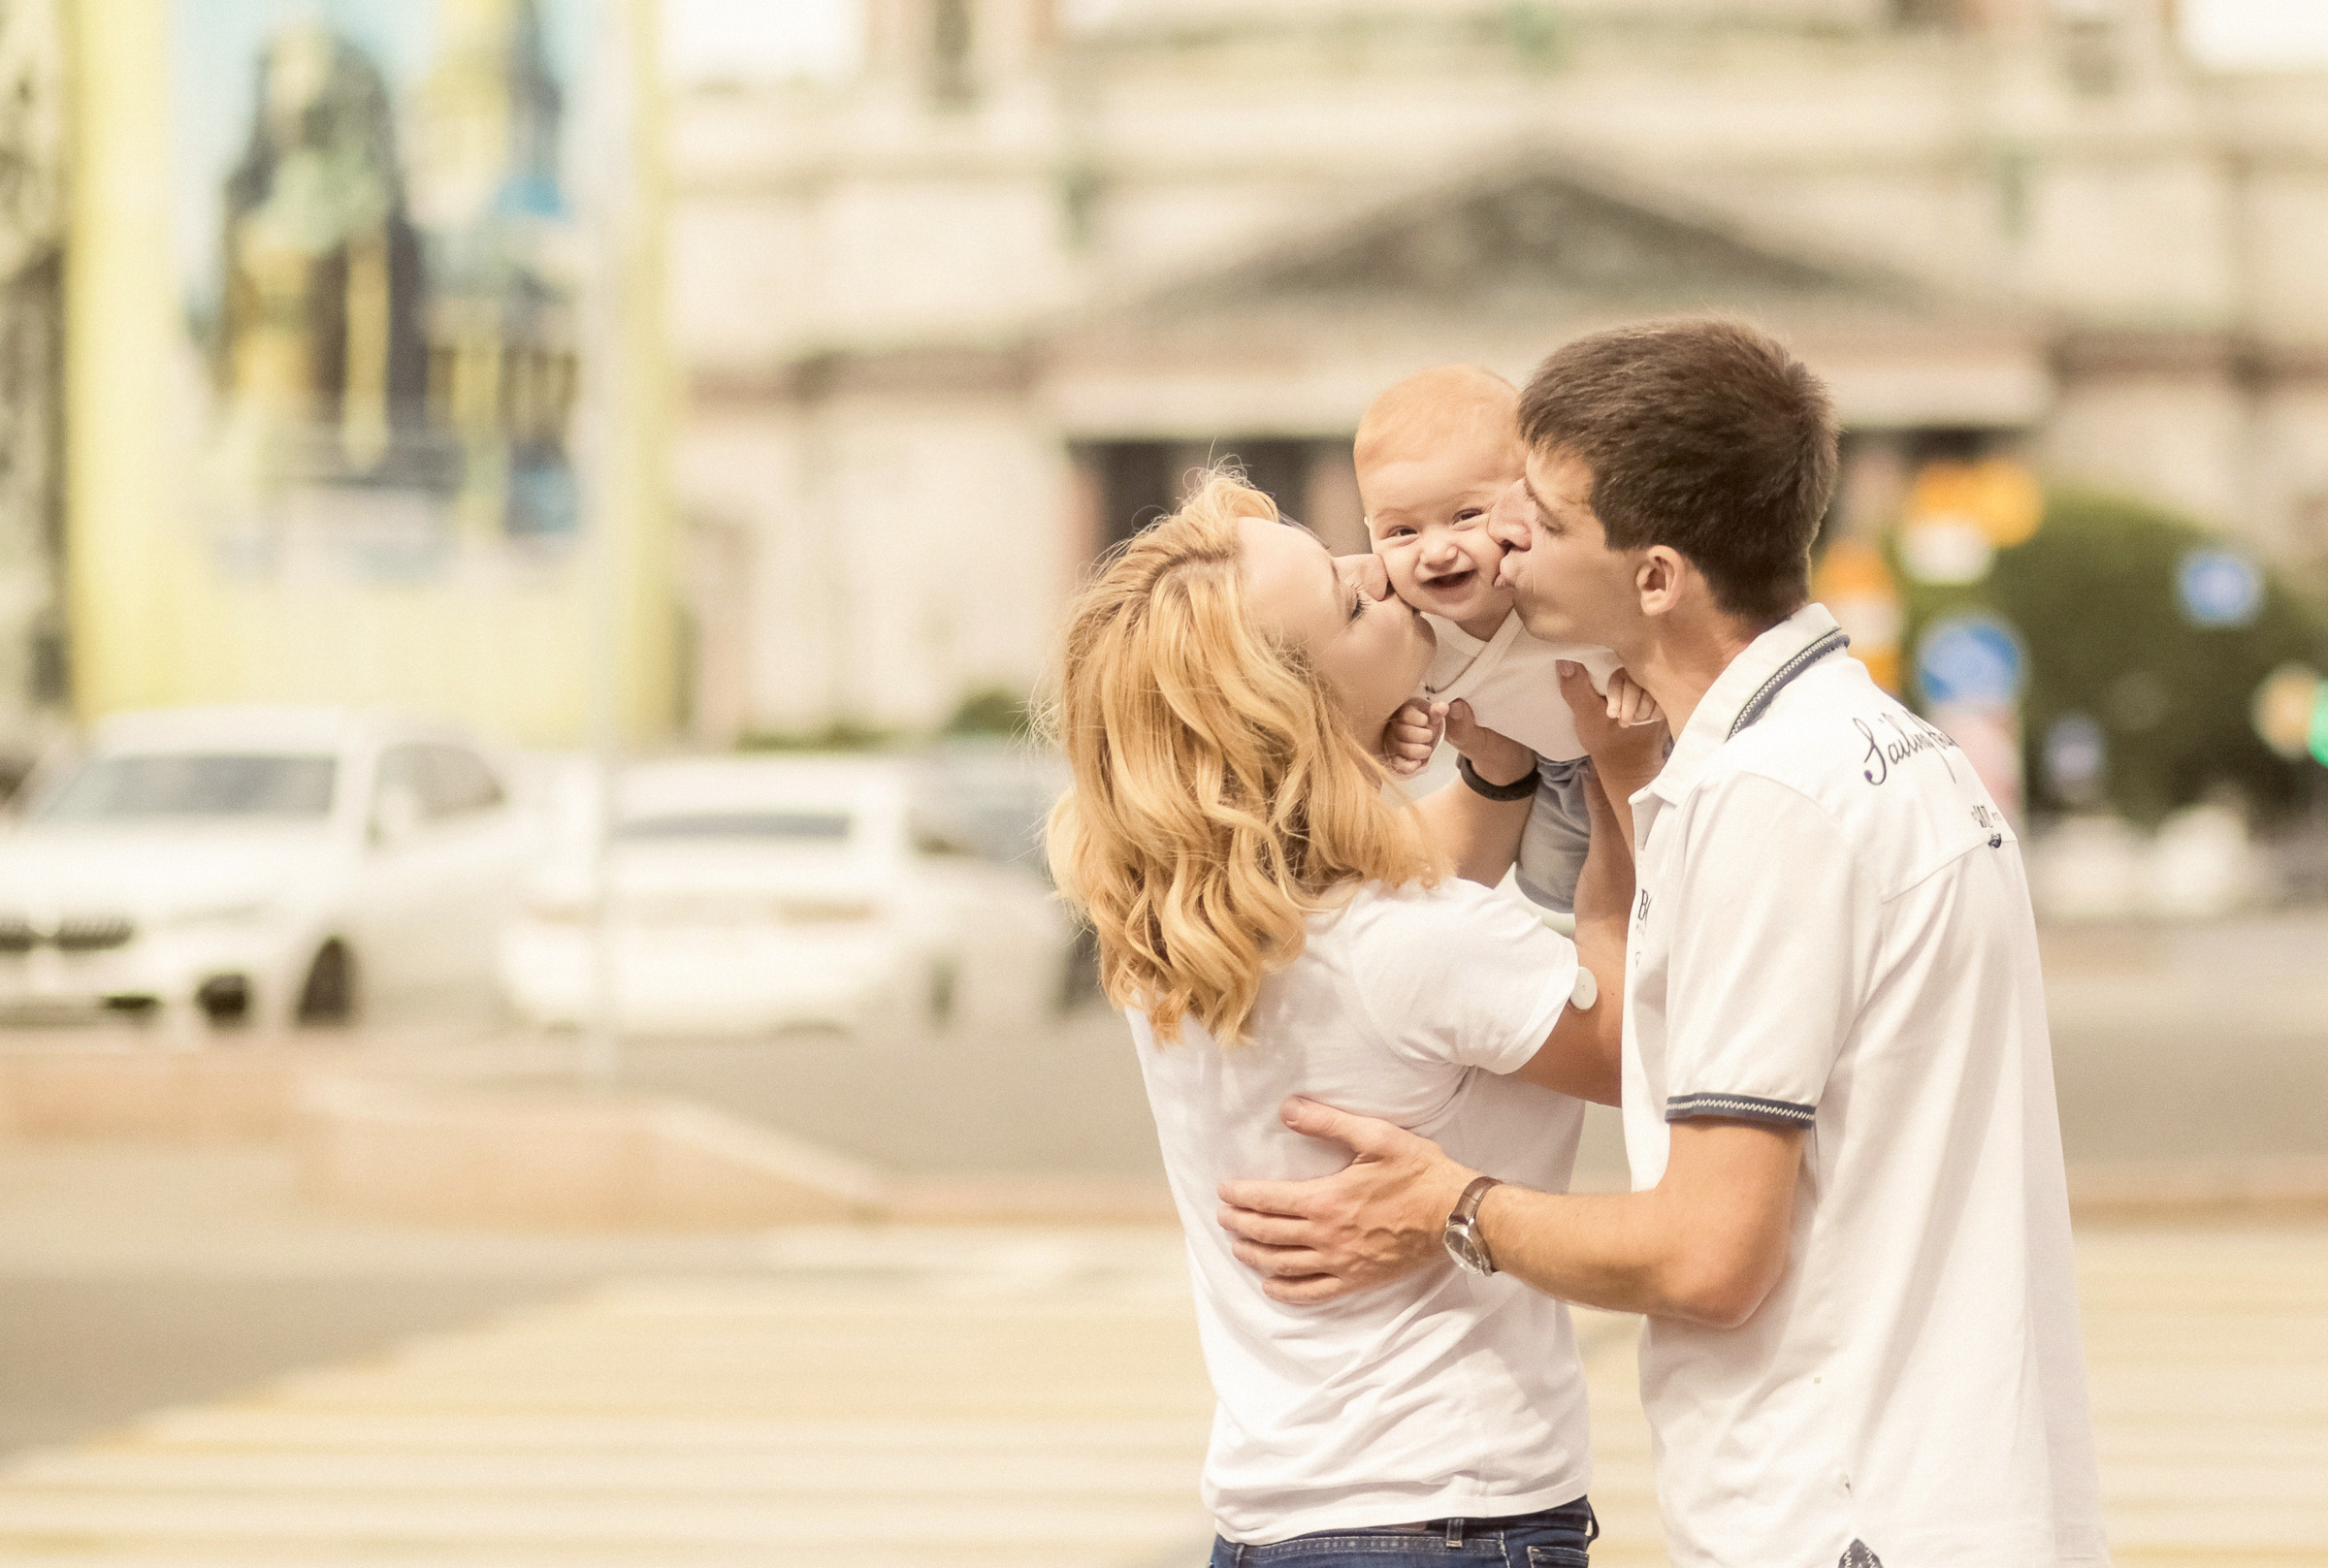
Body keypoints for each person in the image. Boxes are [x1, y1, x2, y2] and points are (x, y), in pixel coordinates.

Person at [1216, 319, 2109, 1568]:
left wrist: (1449, 1205)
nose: (1500, 549)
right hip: (1947, 1491)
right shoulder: (1892, 753)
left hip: (1840, 1514)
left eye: (1542, 519)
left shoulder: (1765, 804)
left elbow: (1708, 1254)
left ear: (1655, 576)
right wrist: (1610, 783)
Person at [1044, 470, 1665, 1564]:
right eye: (1345, 600)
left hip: (1281, 1516)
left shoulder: (1191, 939)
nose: (1376, 567)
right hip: (1446, 1512)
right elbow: (1630, 1041)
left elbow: (1416, 913)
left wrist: (1499, 772)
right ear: (1295, 712)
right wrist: (1620, 787)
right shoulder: (1406, 946)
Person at [1357, 366, 1655, 912]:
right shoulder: (1409, 631)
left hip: (1647, 747)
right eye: (1402, 531)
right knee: (1557, 890)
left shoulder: (1557, 581)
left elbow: (1640, 627)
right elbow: (1392, 709)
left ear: (1526, 502)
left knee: (1672, 883)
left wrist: (1636, 679)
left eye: (1466, 516)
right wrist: (1403, 729)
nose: (1437, 550)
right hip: (1550, 777)